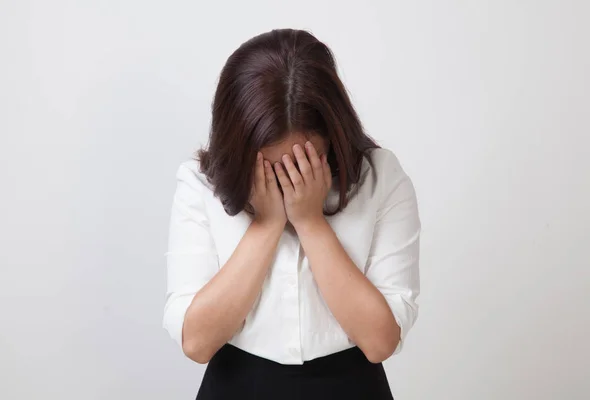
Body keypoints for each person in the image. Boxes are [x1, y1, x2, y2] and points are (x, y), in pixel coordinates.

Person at [163, 28, 420, 400]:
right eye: (270, 168)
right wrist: (267, 225)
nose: (287, 181)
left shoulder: (381, 177)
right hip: (235, 386)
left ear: (333, 136)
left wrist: (311, 223)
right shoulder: (200, 183)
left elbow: (380, 342)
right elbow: (197, 342)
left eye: (301, 164)